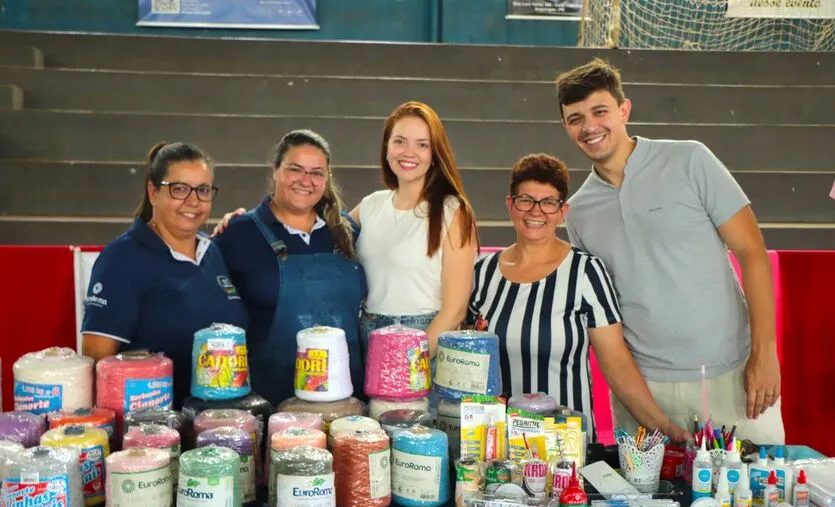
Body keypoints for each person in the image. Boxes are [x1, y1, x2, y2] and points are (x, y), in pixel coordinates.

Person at [556, 59, 784, 444]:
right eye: (575, 118)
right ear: (566, 127)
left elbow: (752, 252)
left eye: (599, 111)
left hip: (733, 378)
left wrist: (764, 353)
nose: (589, 127)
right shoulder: (578, 212)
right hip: (646, 394)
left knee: (757, 500)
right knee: (647, 505)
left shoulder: (690, 160)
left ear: (624, 109)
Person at [468, 153, 689, 441]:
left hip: (566, 447)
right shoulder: (481, 273)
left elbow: (617, 362)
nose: (536, 212)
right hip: (496, 445)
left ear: (562, 211)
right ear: (510, 205)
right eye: (525, 200)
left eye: (548, 203)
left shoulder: (586, 271)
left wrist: (664, 427)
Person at [82, 142, 248, 407]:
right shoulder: (123, 258)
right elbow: (97, 362)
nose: (193, 201)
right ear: (153, 192)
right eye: (179, 189)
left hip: (219, 425)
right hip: (153, 431)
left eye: (203, 190)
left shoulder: (213, 251)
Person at [213, 130, 366, 406]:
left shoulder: (347, 231)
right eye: (295, 169)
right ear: (275, 171)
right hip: (269, 401)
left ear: (327, 178)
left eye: (317, 173)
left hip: (346, 402)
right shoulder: (239, 233)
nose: (306, 181)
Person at [350, 101, 478, 354]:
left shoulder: (453, 211)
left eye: (422, 145)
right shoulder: (370, 206)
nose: (409, 152)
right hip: (369, 336)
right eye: (399, 141)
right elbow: (319, 230)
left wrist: (412, 359)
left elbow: (455, 311)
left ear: (434, 155)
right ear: (386, 148)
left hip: (424, 340)